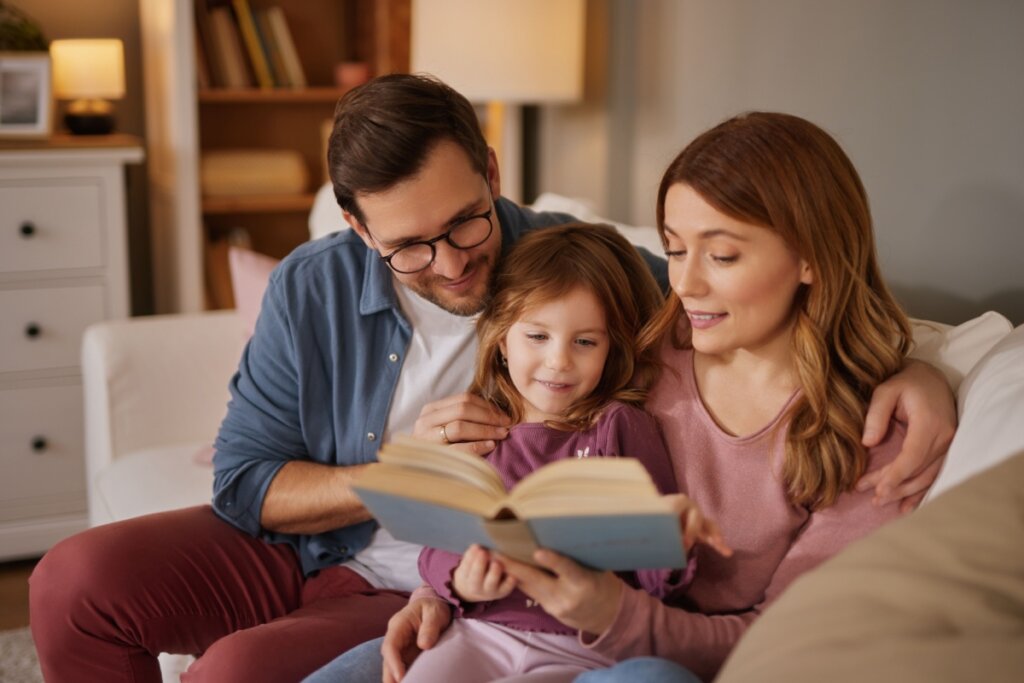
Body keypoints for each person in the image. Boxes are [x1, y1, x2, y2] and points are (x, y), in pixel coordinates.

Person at [27, 72, 951, 683]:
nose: (455, 261)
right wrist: (396, 477)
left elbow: (770, 289)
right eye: (410, 246)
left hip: (467, 588)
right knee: (75, 577)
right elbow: (241, 481)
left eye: (468, 222)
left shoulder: (584, 270)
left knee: (235, 670)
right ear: (357, 229)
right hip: (333, 550)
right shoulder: (317, 281)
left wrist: (908, 369)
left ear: (494, 174)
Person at [314, 111, 933, 683]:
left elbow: (787, 641)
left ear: (811, 258)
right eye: (674, 249)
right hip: (489, 625)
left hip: (645, 656)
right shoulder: (639, 350)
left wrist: (614, 612)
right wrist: (440, 593)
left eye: (721, 255)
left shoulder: (867, 435)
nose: (684, 284)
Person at [379, 223, 732, 683]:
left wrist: (671, 540)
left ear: (611, 348)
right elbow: (435, 547)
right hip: (480, 634)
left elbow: (652, 573)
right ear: (503, 339)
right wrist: (461, 579)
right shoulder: (477, 430)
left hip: (583, 649)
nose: (559, 361)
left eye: (585, 342)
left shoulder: (620, 427)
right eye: (538, 337)